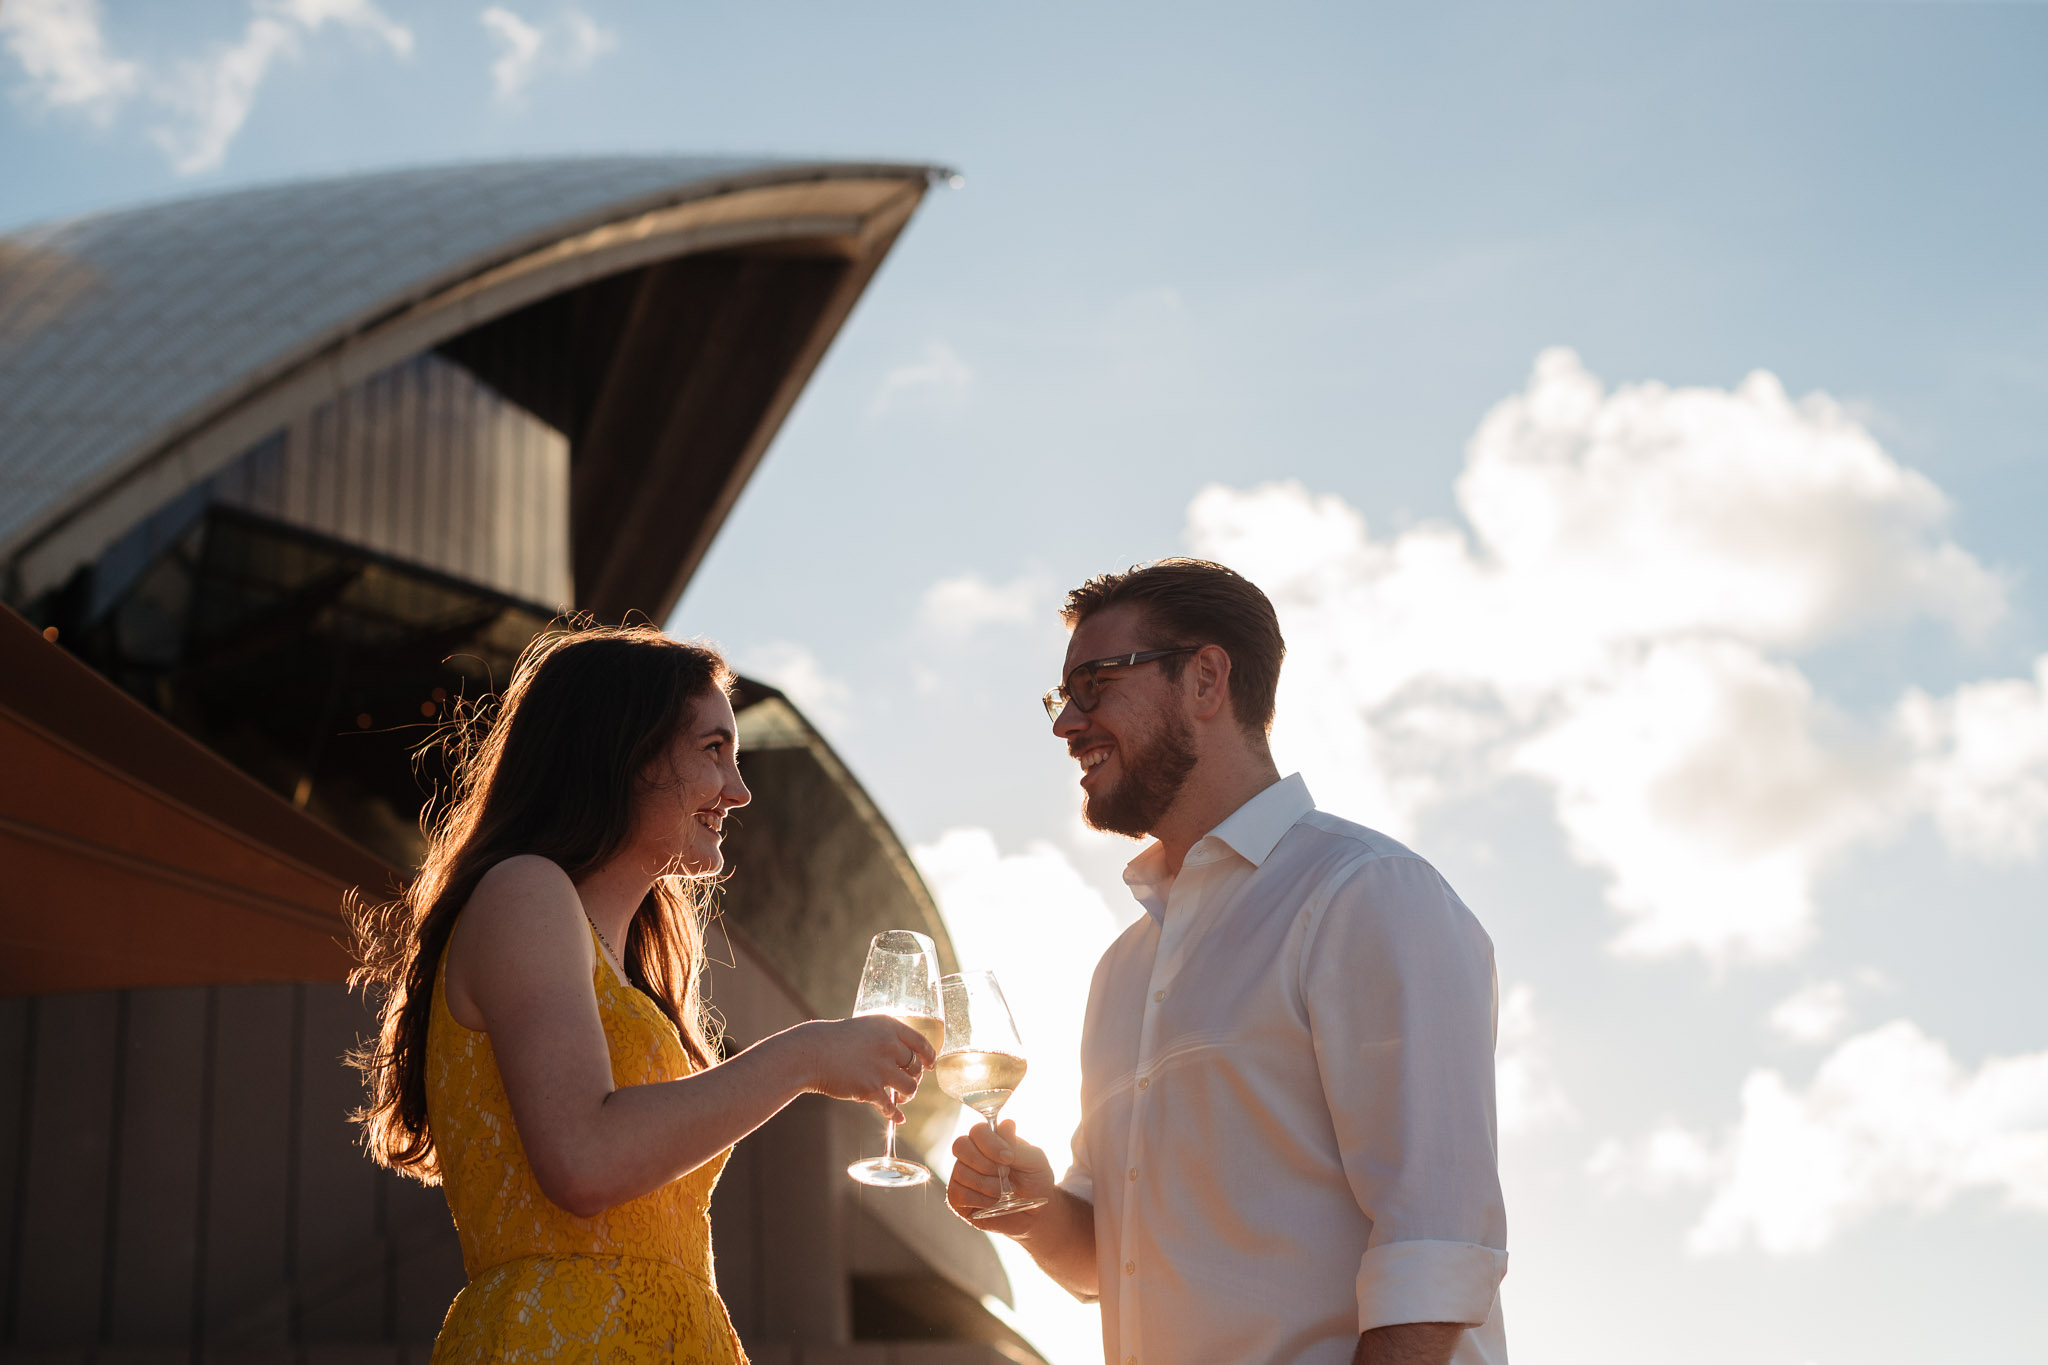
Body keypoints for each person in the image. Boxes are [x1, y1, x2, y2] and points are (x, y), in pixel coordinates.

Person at [947, 560, 1509, 1365]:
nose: (1066, 723)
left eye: (1094, 685)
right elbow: (1112, 1262)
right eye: (1062, 696)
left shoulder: (1366, 894)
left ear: (1206, 679)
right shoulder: (1120, 970)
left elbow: (1436, 1247)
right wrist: (1035, 1211)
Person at [350, 623, 936, 1364]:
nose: (739, 791)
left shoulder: (625, 963)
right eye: (713, 749)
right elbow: (583, 1160)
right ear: (622, 751)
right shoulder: (524, 891)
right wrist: (806, 1055)